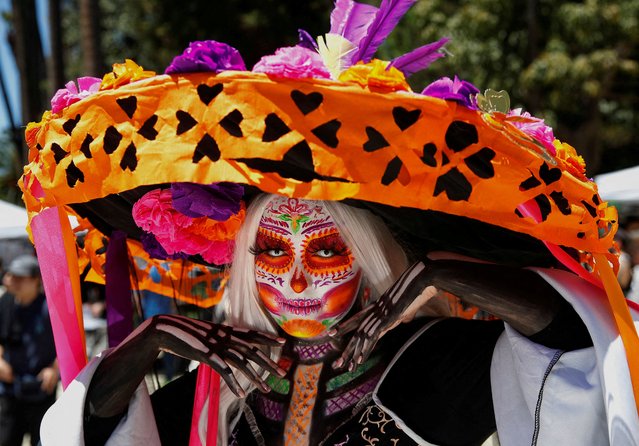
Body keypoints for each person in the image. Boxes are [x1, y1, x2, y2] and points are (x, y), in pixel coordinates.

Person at [20, 1, 639, 444]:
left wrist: (441, 272)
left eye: (323, 252)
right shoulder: (220, 387)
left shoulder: (440, 362)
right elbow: (93, 425)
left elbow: (569, 346)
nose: (292, 278)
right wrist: (152, 339)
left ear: (371, 261)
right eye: (269, 249)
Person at [0, 255, 58, 446]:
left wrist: (54, 369)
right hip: (11, 388)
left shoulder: (49, 308)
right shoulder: (6, 303)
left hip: (41, 387)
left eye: (20, 277)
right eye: (12, 276)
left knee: (41, 441)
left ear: (35, 280)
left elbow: (66, 344)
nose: (13, 281)